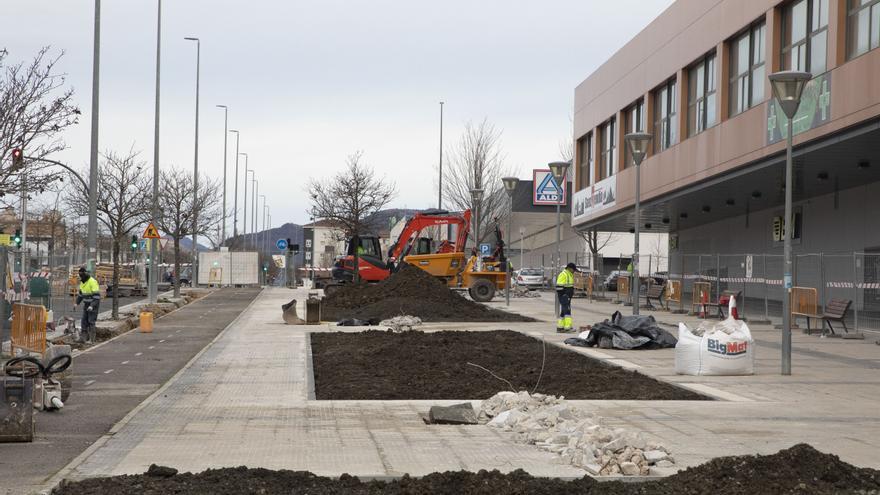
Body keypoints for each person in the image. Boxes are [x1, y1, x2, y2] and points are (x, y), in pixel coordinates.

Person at [75, 267, 101, 344]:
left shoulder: (92, 282)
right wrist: (77, 303)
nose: (81, 277)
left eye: (82, 276)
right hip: (86, 304)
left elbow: (96, 297)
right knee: (84, 321)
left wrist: (92, 306)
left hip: (93, 305)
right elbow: (80, 294)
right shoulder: (82, 282)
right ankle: (83, 338)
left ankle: (92, 340)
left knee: (91, 321)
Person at [555, 262, 578, 333]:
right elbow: (559, 287)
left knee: (563, 312)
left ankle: (560, 327)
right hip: (564, 296)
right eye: (573, 269)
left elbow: (569, 286)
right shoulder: (564, 274)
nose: (574, 271)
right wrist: (564, 295)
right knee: (567, 311)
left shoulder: (569, 274)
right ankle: (567, 328)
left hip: (567, 296)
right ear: (569, 268)